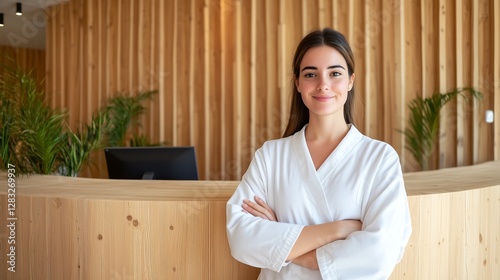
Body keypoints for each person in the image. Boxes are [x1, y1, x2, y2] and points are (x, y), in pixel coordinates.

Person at [226, 28, 412, 279]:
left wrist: (282, 242)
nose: (323, 84)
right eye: (310, 74)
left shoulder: (379, 158)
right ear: (298, 83)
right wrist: (338, 230)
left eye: (335, 73)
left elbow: (381, 252)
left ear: (350, 81)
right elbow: (241, 237)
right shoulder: (270, 156)